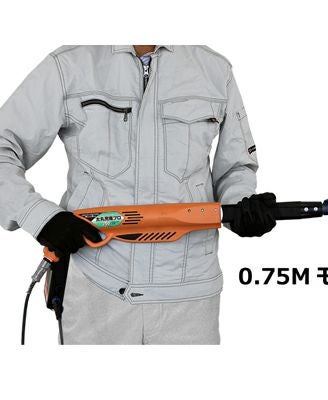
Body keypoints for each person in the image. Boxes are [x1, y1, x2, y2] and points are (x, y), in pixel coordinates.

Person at [0, 45, 276, 344]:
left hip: (189, 295)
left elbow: (236, 167)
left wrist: (241, 207)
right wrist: (40, 217)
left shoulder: (213, 69)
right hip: (96, 288)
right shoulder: (70, 65)